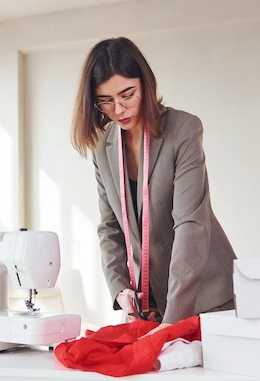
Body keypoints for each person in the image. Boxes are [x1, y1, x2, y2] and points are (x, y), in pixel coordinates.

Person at [71, 37, 236, 334]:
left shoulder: (183, 130)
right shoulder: (102, 146)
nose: (119, 109)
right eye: (105, 100)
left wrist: (173, 319)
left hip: (207, 296)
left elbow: (190, 225)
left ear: (145, 84)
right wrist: (120, 289)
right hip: (150, 305)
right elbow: (110, 227)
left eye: (127, 94)